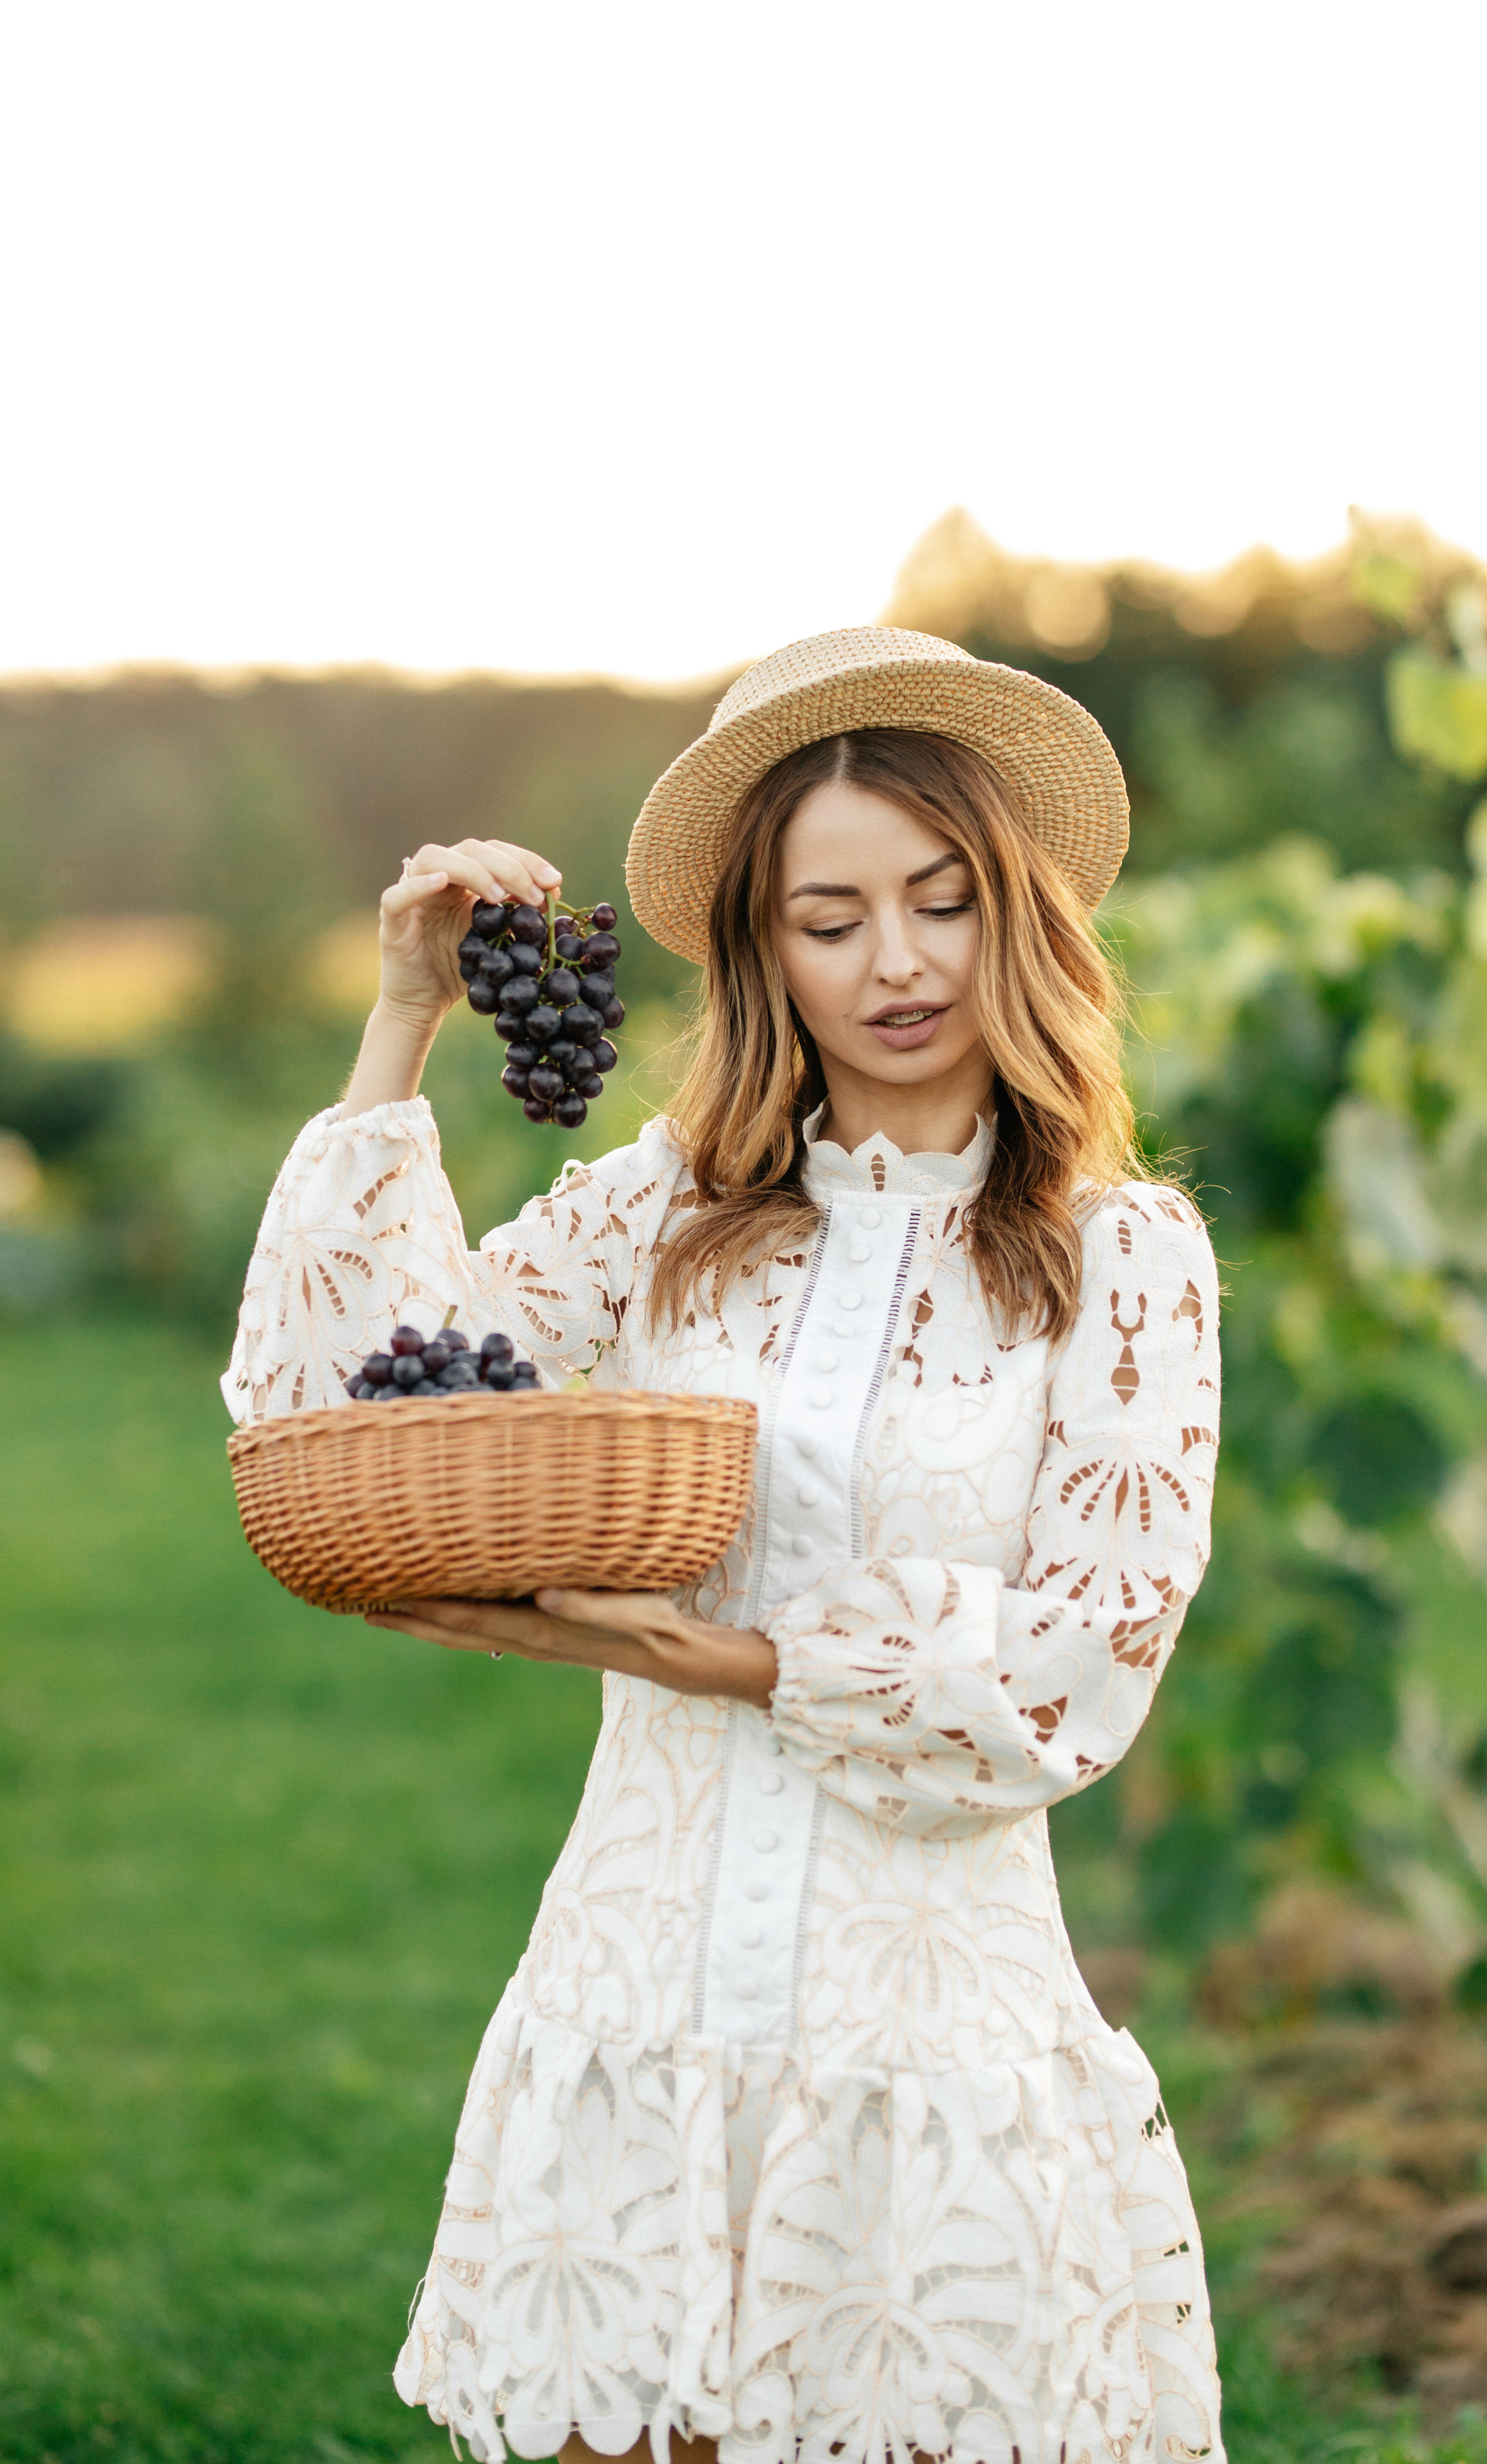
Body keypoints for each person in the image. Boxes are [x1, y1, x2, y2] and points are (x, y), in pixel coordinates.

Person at [225, 627, 1224, 2464]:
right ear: (764, 948)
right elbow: (350, 1402)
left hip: (924, 2035)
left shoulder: (1124, 1252)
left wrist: (747, 1659)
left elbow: (1100, 1643)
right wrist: (403, 1017)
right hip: (636, 1987)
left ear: (1019, 910)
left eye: (940, 900)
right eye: (829, 919)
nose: (897, 962)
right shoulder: (670, 1205)